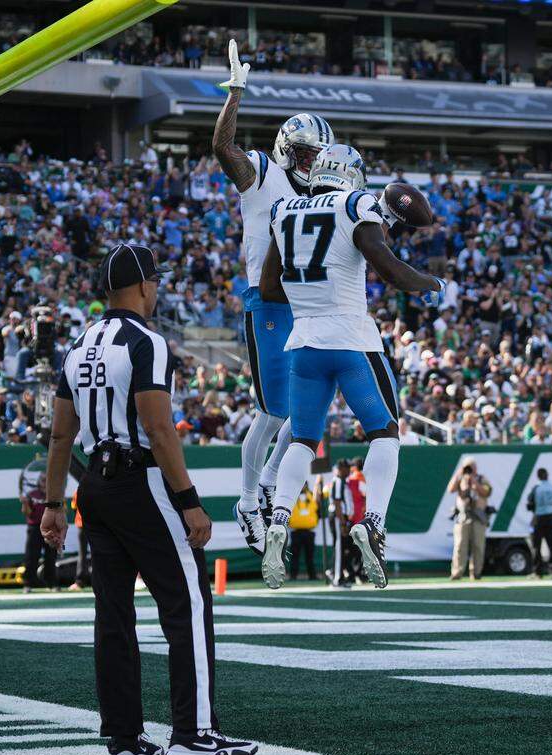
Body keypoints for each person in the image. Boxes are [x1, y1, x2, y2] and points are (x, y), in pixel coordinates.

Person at [39, 243, 256, 755]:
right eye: (154, 281)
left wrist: (54, 503)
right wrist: (189, 501)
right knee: (189, 606)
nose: (157, 289)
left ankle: (125, 740)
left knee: (113, 617)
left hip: (95, 484)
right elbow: (158, 428)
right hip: (143, 481)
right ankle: (193, 733)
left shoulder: (79, 343)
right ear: (139, 286)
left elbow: (60, 435)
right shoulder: (147, 342)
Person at [258, 144, 445, 590]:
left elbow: (268, 285)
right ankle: (373, 523)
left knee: (302, 440)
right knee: (385, 434)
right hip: (351, 340)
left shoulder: (284, 210)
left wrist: (312, 301)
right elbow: (390, 270)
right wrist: (431, 283)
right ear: (351, 174)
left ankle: (279, 517)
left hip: (303, 341)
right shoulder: (356, 203)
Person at [214, 37, 335, 559]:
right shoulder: (263, 172)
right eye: (305, 152)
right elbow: (224, 148)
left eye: (316, 155)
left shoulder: (317, 193)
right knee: (270, 410)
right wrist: (236, 92)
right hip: (266, 300)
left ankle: (264, 480)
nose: (311, 161)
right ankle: (247, 497)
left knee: (301, 410)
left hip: (305, 301)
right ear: (288, 148)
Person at [449, 459, 493, 580]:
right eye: (467, 468)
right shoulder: (460, 479)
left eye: (471, 468)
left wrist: (475, 483)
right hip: (463, 516)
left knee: (478, 546)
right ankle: (457, 572)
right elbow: (450, 490)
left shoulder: (481, 479)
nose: (469, 470)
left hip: (478, 516)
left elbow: (487, 492)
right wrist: (458, 475)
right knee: (459, 545)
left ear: (476, 468)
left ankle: (476, 572)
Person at [22, 474, 57, 592]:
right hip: (34, 527)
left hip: (50, 527)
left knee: (51, 556)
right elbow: (27, 513)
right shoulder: (32, 494)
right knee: (31, 555)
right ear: (38, 481)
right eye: (42, 479)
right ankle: (28, 584)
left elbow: (63, 510)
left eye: (46, 479)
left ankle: (51, 583)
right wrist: (25, 503)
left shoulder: (54, 494)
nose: (44, 481)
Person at [325, 459, 357, 586]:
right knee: (339, 547)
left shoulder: (342, 482)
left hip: (342, 517)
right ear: (341, 468)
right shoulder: (337, 481)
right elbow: (337, 503)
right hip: (338, 517)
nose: (349, 470)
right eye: (347, 468)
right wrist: (343, 523)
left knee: (342, 547)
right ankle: (337, 578)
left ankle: (335, 572)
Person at [526, 468, 552, 579]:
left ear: (538, 476)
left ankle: (538, 572)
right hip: (550, 517)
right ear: (547, 475)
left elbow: (529, 503)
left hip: (539, 517)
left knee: (536, 546)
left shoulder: (536, 487)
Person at [287, 479, 321, 581]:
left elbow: (318, 499)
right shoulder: (291, 497)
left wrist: (318, 483)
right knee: (295, 556)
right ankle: (293, 576)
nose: (302, 487)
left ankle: (312, 575)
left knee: (309, 556)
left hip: (309, 532)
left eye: (304, 484)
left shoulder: (311, 496)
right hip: (295, 532)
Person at [69, 488, 91, 590]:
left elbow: (73, 507)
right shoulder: (98, 486)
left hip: (82, 525)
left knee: (82, 553)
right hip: (93, 525)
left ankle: (80, 581)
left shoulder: (79, 490)